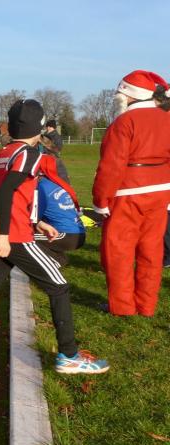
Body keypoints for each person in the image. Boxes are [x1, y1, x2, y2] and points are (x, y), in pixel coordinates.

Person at [0, 99, 109, 384]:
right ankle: (69, 355)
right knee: (59, 286)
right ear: (39, 127)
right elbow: (7, 193)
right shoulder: (29, 154)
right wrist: (6, 235)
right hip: (12, 236)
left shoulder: (2, 154)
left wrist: (37, 223)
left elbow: (13, 195)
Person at [92, 70, 170, 317]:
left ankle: (123, 306)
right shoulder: (167, 118)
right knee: (152, 250)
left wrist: (101, 199)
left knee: (119, 251)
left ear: (127, 94)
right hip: (160, 191)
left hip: (128, 192)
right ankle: (146, 305)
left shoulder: (124, 122)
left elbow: (112, 165)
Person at [34, 158, 85, 267]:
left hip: (66, 235)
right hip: (78, 232)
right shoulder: (57, 184)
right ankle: (57, 256)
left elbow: (34, 218)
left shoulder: (41, 187)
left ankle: (56, 261)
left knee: (24, 238)